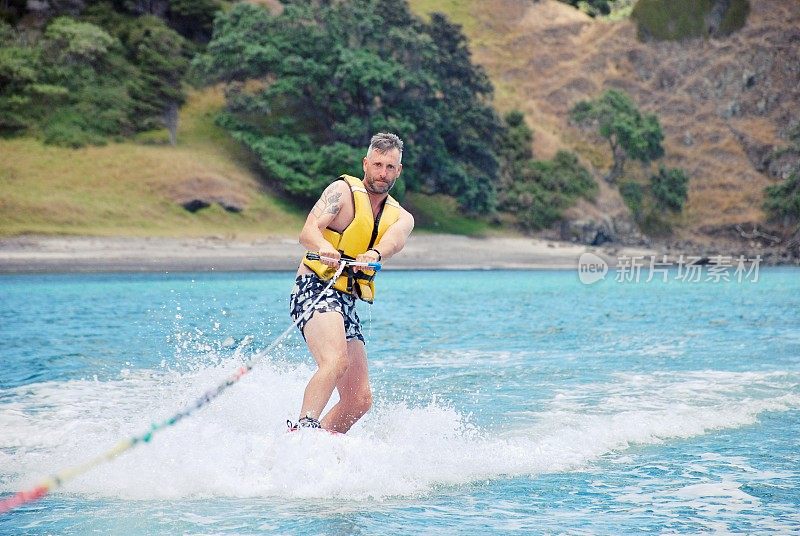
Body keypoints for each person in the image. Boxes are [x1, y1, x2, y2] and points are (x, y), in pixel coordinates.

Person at [288, 133, 414, 433]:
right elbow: (308, 231)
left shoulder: (402, 217)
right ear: (366, 164)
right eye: (378, 165)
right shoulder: (341, 193)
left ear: (399, 170)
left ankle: (320, 445)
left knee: (359, 399)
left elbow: (394, 243)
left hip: (346, 301)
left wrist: (375, 253)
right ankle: (303, 429)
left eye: (390, 167)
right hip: (314, 289)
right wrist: (324, 247)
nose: (383, 173)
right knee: (335, 361)